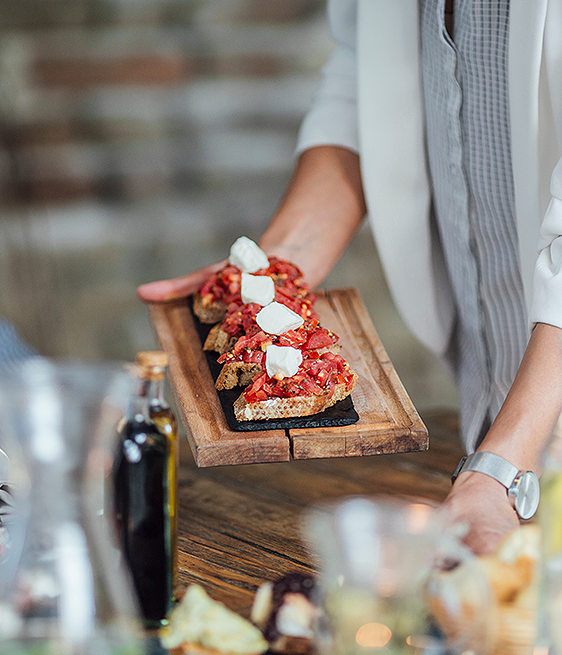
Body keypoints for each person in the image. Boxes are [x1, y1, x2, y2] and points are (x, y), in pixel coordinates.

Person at [137, 0, 562, 555]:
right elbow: (368, 78)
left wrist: (502, 468)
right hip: (486, 446)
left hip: (512, 462)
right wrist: (274, 272)